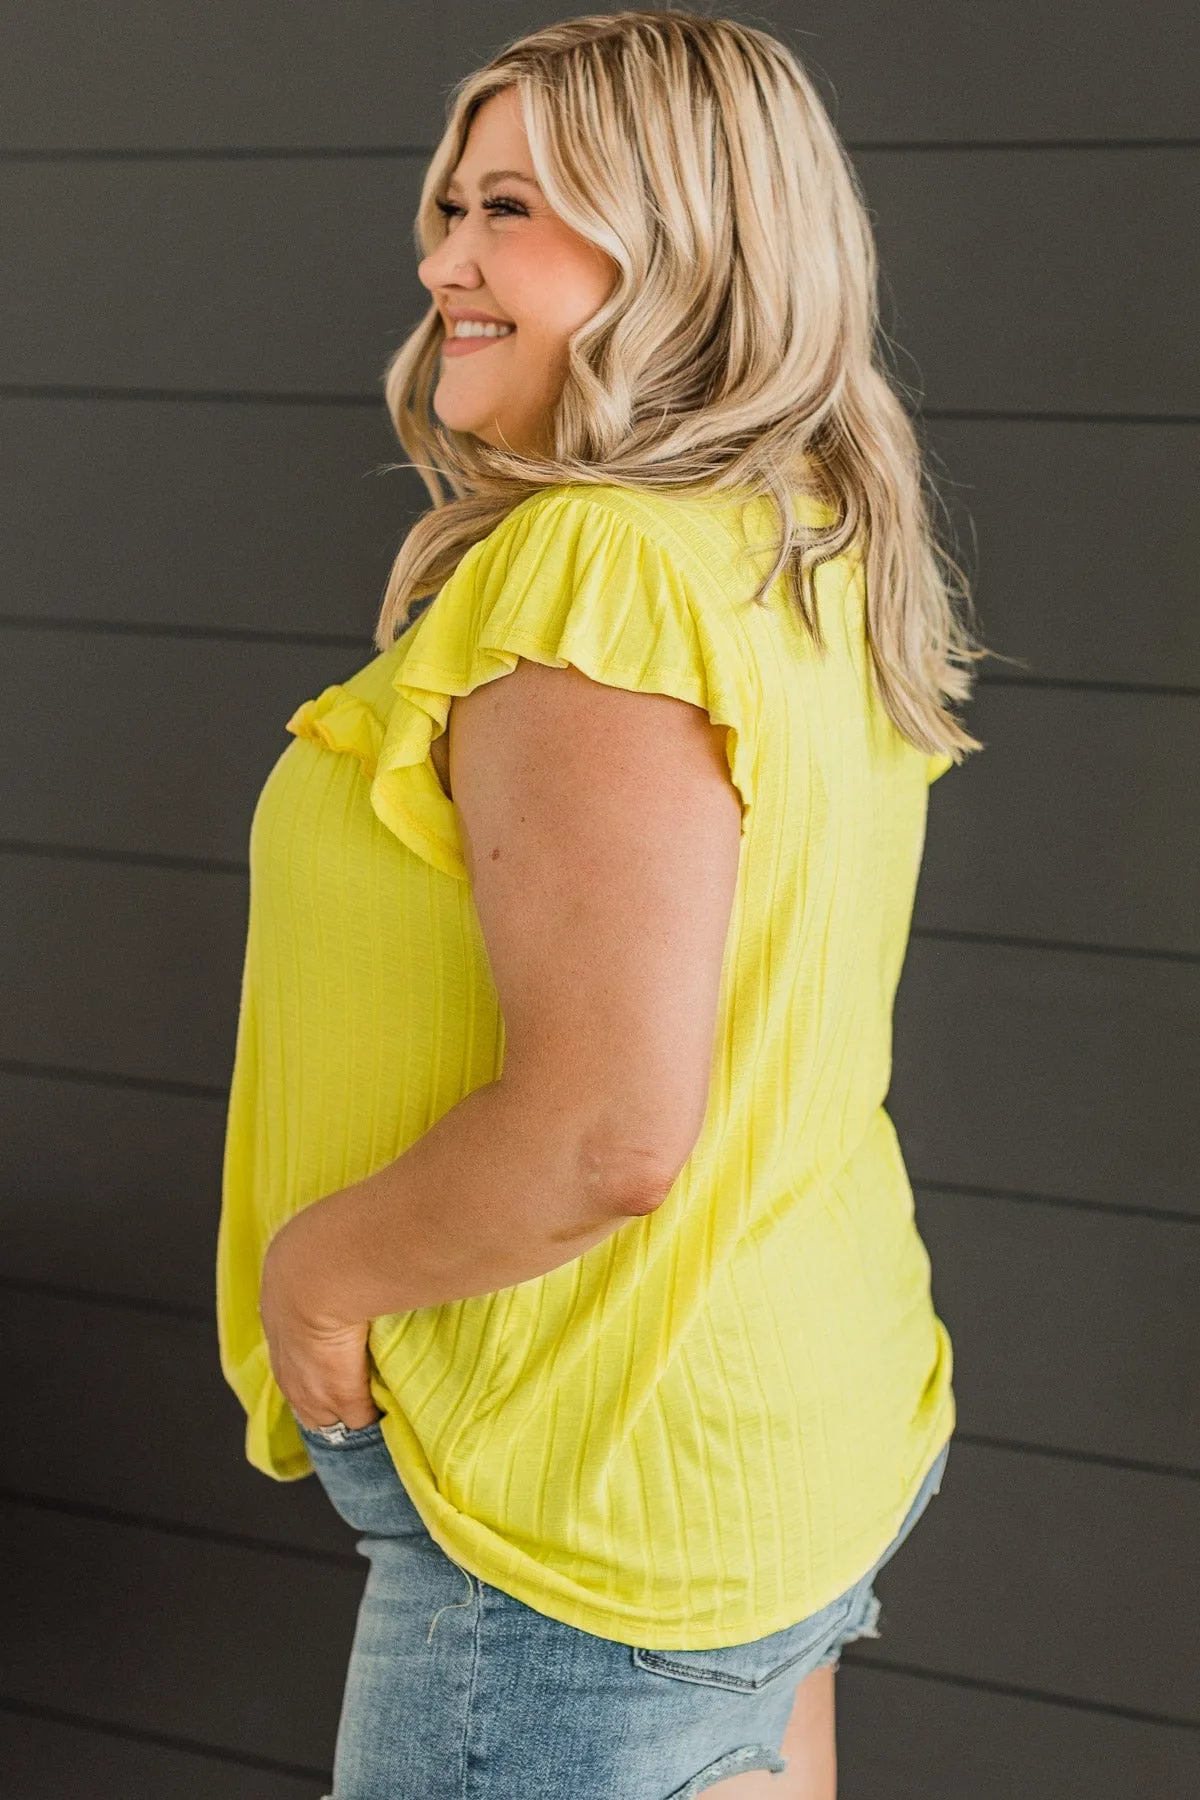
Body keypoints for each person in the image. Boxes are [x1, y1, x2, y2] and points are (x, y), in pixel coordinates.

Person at [216, 11, 987, 1797]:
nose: (442, 258)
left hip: (586, 1489)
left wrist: (312, 1281)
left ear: (683, 244)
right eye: (449, 205)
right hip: (789, 1438)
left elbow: (604, 1132)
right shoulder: (804, 536)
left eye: (510, 211)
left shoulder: (605, 564)